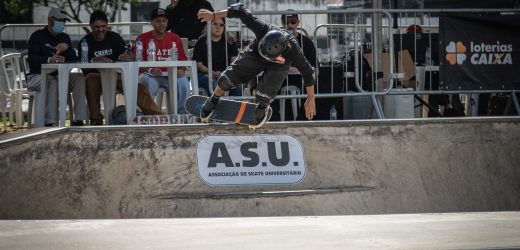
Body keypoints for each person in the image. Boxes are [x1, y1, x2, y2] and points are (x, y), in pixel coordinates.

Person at [197, 4, 317, 127]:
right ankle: (213, 99)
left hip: (279, 64)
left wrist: (311, 98)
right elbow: (239, 10)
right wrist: (213, 15)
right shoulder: (261, 28)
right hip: (256, 53)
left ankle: (262, 106)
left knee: (265, 92)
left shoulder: (294, 51)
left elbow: (308, 73)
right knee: (227, 79)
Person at [78, 10, 164, 125]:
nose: (100, 29)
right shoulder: (84, 42)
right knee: (90, 79)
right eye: (97, 27)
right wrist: (95, 60)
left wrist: (127, 56)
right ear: (91, 26)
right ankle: (96, 120)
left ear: (107, 25)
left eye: (103, 26)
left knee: (138, 87)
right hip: (96, 77)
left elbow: (127, 55)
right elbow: (83, 68)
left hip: (117, 75)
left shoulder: (115, 37)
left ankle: (159, 118)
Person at [26, 7, 88, 126]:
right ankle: (51, 123)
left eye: (64, 21)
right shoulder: (37, 36)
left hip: (60, 77)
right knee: (53, 81)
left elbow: (74, 59)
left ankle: (79, 120)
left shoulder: (64, 37)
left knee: (79, 78)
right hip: (36, 77)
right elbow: (32, 59)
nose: (62, 23)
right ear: (50, 20)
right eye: (59, 20)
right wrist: (49, 60)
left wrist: (68, 49)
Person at [136, 8, 190, 114]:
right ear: (151, 22)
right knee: (148, 81)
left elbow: (183, 61)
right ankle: (148, 114)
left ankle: (181, 114)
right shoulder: (142, 38)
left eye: (164, 21)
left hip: (170, 76)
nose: (162, 24)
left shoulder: (175, 38)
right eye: (158, 21)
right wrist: (151, 69)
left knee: (183, 80)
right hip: (150, 75)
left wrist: (181, 70)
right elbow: (137, 63)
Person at [192, 17, 239, 96]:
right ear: (209, 25)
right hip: (205, 74)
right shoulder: (202, 41)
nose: (218, 27)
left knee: (238, 85)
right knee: (216, 84)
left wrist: (225, 74)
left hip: (226, 74)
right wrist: (214, 74)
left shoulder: (230, 41)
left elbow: (234, 62)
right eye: (215, 24)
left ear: (224, 27)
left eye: (221, 25)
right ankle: (213, 107)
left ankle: (232, 107)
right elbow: (199, 65)